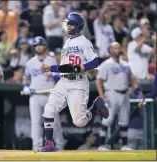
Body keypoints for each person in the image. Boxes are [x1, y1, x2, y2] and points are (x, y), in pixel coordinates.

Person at [40, 12, 109, 152]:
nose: (68, 26)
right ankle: (49, 144)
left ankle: (95, 106)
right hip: (64, 81)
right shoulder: (67, 42)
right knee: (48, 110)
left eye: (71, 24)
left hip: (78, 83)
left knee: (79, 122)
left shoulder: (84, 41)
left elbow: (95, 61)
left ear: (78, 26)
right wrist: (52, 68)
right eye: (68, 23)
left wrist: (83, 67)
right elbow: (66, 67)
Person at [96, 42, 144, 150]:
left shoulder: (126, 65)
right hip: (111, 93)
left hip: (124, 93)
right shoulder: (106, 64)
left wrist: (140, 92)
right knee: (107, 120)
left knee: (124, 120)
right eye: (115, 48)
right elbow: (98, 81)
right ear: (111, 51)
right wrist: (101, 95)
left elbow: (133, 80)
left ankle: (125, 145)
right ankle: (101, 145)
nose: (117, 49)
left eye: (118, 47)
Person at [22, 36, 65, 151]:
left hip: (50, 95)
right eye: (37, 45)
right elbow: (26, 77)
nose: (39, 47)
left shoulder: (51, 60)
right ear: (34, 47)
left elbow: (57, 77)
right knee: (35, 123)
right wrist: (25, 86)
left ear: (45, 46)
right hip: (35, 96)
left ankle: (60, 146)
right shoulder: (30, 62)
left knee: (54, 124)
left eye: (41, 45)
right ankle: (36, 148)